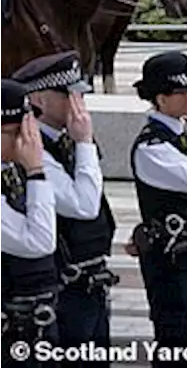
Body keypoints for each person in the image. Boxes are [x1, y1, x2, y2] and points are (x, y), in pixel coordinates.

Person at [11, 52, 113, 364]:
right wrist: (84, 143)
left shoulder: (66, 140)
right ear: (39, 99)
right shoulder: (33, 150)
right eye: (70, 93)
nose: (80, 100)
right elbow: (83, 205)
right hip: (66, 287)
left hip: (91, 281)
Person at [129, 53, 187, 368]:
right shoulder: (153, 147)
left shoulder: (182, 133)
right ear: (162, 99)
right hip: (171, 258)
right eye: (185, 92)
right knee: (179, 339)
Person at [0, 80, 57, 365]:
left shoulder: (12, 169)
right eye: (15, 133)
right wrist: (36, 171)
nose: (27, 141)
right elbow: (39, 242)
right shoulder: (27, 168)